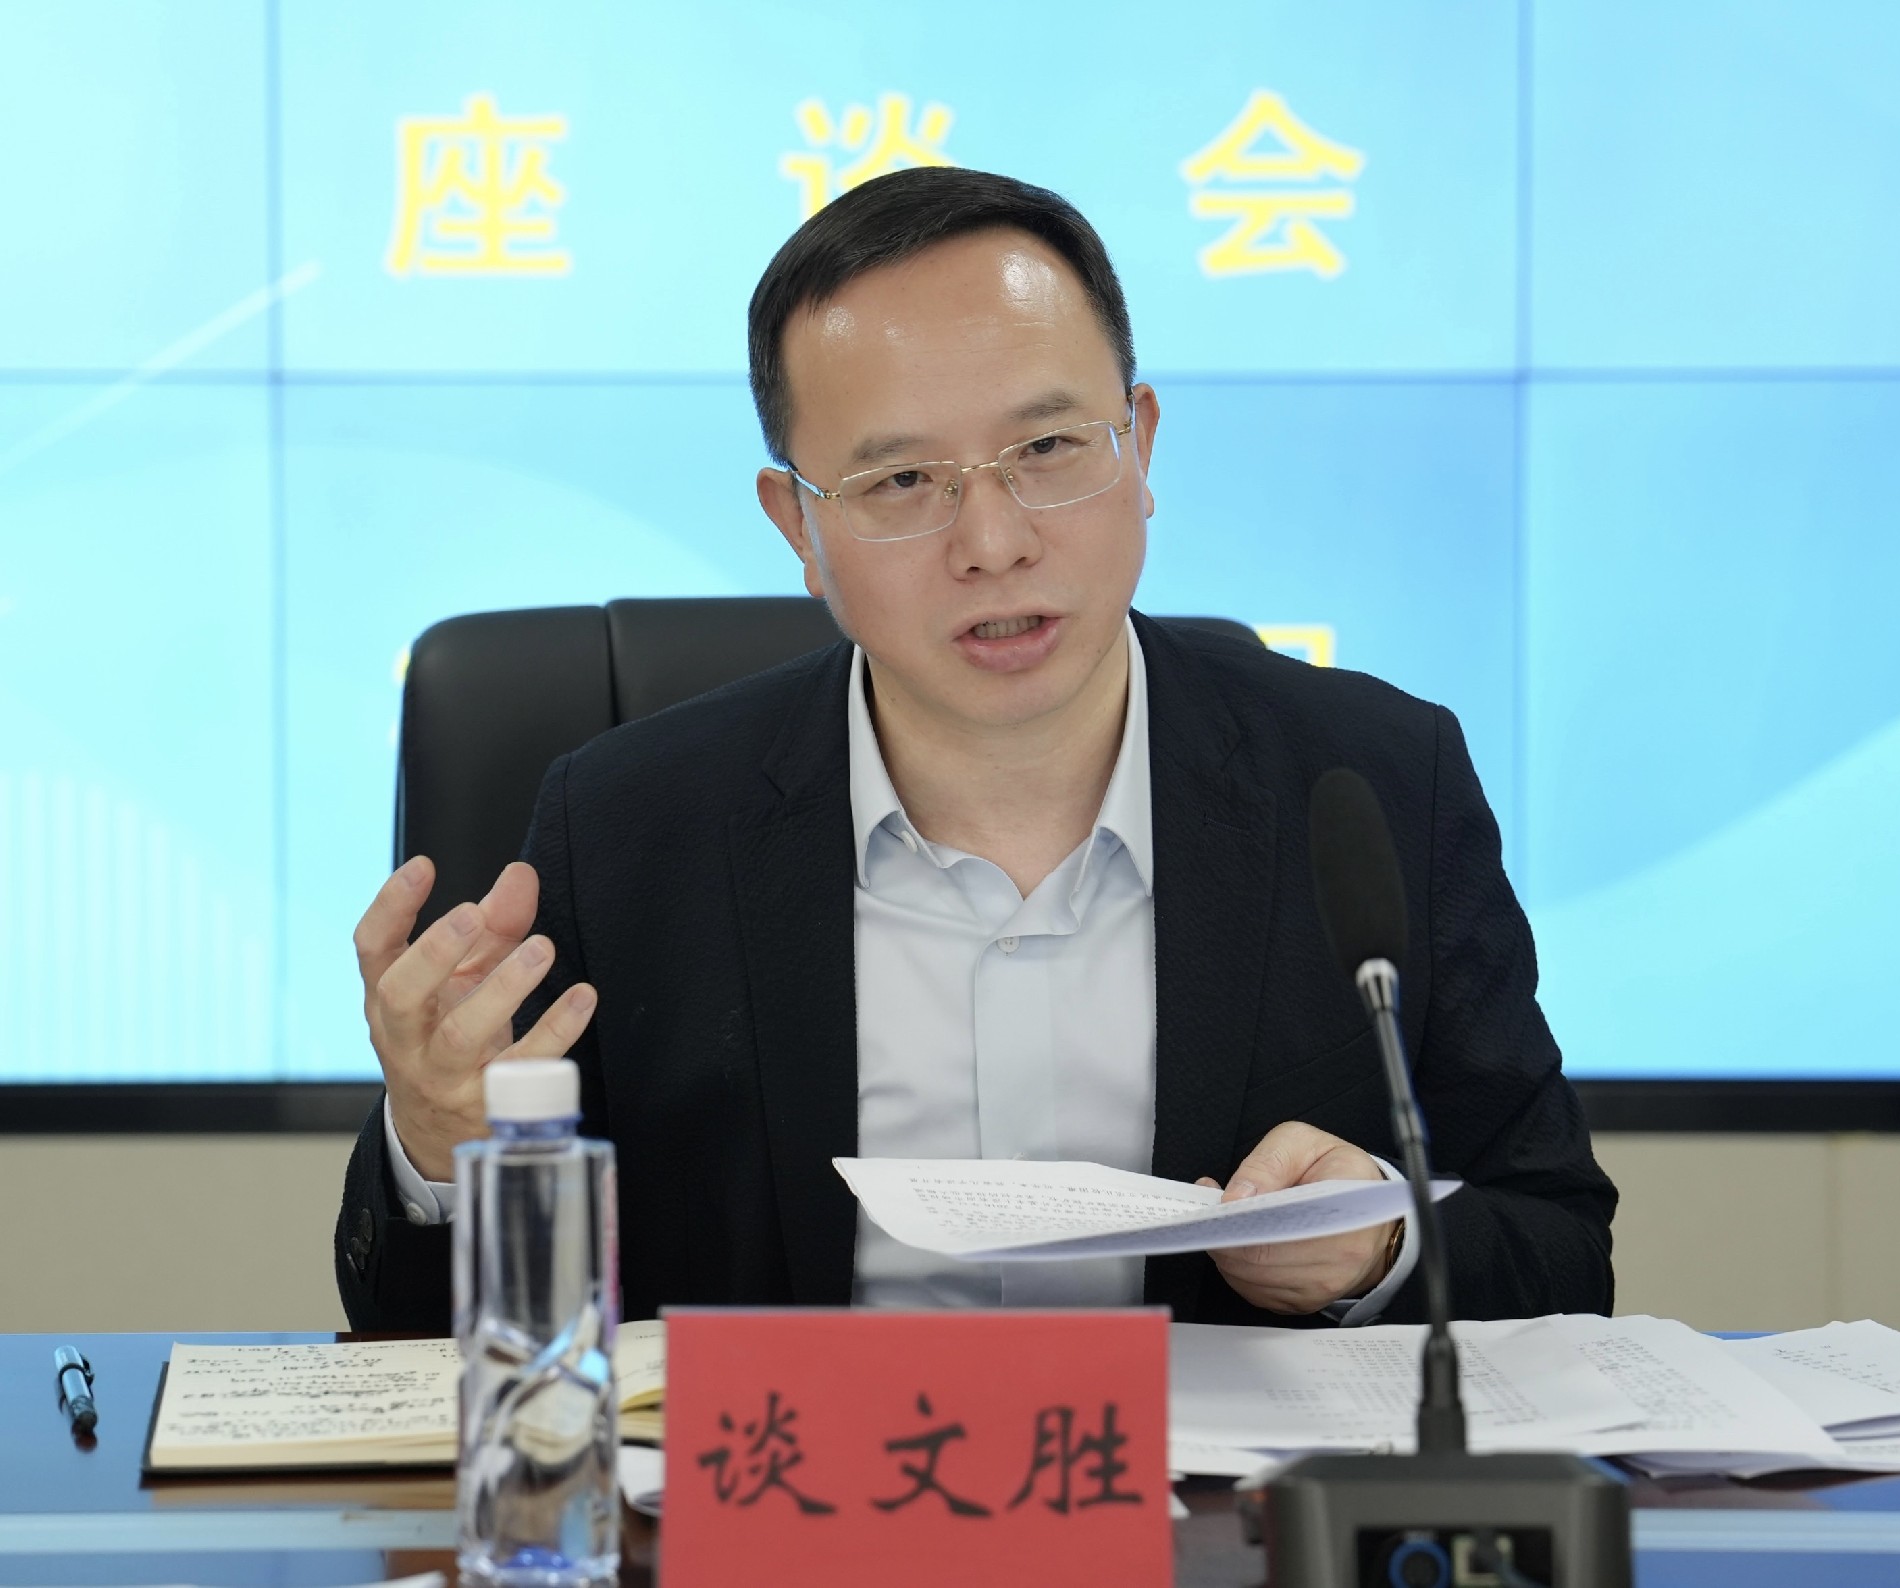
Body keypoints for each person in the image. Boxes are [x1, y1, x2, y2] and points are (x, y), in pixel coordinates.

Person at [336, 167, 1614, 1331]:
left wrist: (1380, 1248)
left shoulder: (1375, 780)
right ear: (797, 526)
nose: (994, 543)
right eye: (901, 482)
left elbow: (1560, 1244)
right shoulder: (626, 828)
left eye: (1048, 449)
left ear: (1141, 445)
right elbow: (428, 1342)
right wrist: (440, 1148)